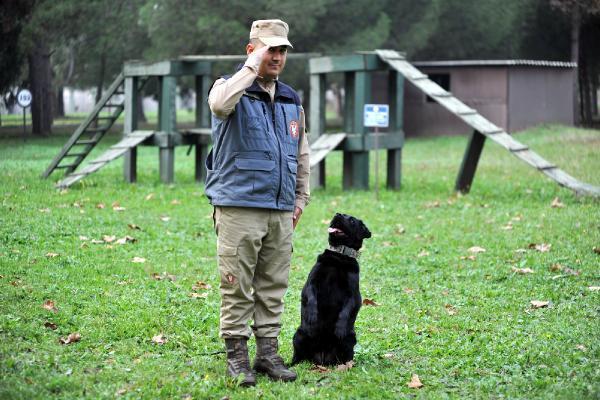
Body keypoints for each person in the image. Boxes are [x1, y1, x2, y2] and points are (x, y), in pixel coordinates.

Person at [206, 19, 310, 386]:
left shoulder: (290, 98)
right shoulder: (229, 89)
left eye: (282, 50)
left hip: (281, 210)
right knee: (236, 284)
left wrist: (301, 198)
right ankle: (237, 358)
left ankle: (267, 354)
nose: (277, 56)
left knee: (273, 285)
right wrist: (250, 69)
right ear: (252, 50)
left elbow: (302, 153)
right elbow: (219, 105)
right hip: (239, 206)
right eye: (271, 49)